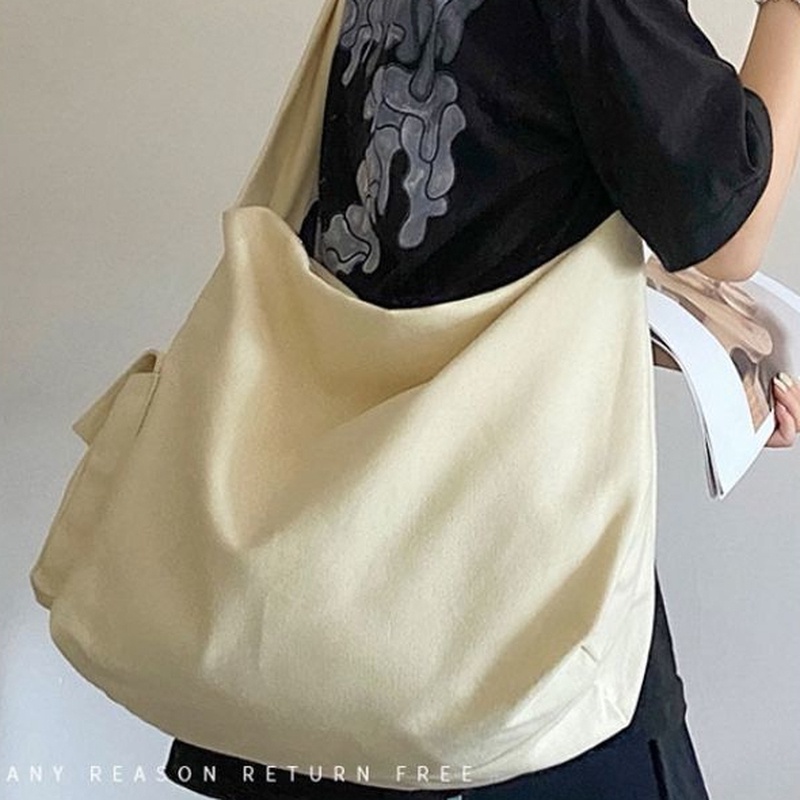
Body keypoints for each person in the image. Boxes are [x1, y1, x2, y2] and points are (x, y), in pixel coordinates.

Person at [164, 0, 800, 796]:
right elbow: (729, 226)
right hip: (508, 612)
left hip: (320, 615)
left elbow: (444, 255)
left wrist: (715, 357)